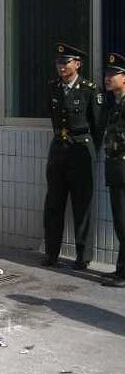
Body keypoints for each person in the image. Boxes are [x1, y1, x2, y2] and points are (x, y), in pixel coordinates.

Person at [42, 42, 105, 269]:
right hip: (59, 149)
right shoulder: (53, 87)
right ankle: (51, 254)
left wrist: (88, 150)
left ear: (77, 64)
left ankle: (82, 257)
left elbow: (98, 127)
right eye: (58, 62)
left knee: (82, 205)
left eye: (66, 62)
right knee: (53, 203)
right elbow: (54, 117)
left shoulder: (89, 90)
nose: (61, 66)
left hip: (81, 151)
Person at [101, 52, 125, 288]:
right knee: (120, 222)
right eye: (107, 74)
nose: (108, 78)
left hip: (123, 168)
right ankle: (121, 269)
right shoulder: (116, 103)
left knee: (123, 223)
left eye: (113, 74)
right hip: (116, 169)